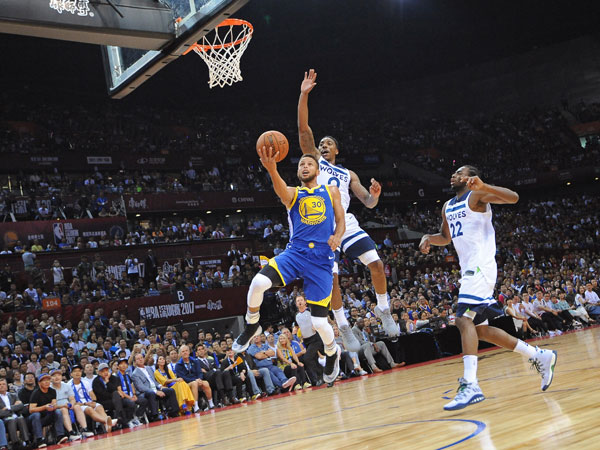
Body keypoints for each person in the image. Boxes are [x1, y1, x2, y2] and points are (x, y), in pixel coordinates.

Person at [419, 165, 557, 411]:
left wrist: (484, 187)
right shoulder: (448, 205)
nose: (454, 175)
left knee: (462, 320)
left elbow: (513, 197)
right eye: (454, 173)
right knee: (480, 331)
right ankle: (538, 355)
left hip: (481, 267)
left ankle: (471, 384)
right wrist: (429, 238)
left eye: (460, 172)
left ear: (470, 177)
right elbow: (446, 236)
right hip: (468, 270)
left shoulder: (477, 195)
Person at [297, 69, 399, 351]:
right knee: (333, 281)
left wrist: (375, 196)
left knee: (377, 264)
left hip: (348, 223)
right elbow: (304, 131)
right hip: (322, 226)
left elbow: (367, 202)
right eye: (321, 145)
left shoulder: (347, 173)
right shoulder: (317, 164)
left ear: (337, 150)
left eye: (328, 144)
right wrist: (304, 94)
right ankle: (343, 326)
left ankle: (383, 309)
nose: (323, 146)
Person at [233, 148, 345, 386]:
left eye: (309, 164)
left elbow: (341, 219)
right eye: (301, 165)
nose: (305, 167)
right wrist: (272, 169)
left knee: (319, 323)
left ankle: (332, 351)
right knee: (258, 283)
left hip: (321, 259)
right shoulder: (294, 194)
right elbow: (281, 189)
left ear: (316, 170)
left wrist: (338, 234)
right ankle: (253, 323)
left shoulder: (331, 190)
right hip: (296, 252)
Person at [69, 365, 117, 433]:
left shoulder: (85, 382)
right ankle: (107, 421)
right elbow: (73, 401)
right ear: (71, 374)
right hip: (79, 405)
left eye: (79, 371)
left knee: (99, 406)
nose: (77, 373)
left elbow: (92, 394)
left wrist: (93, 401)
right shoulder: (69, 385)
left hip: (89, 402)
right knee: (89, 409)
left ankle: (106, 423)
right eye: (75, 371)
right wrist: (85, 403)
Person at [130, 353, 179, 421]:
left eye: (141, 358)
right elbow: (141, 388)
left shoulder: (149, 368)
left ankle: (174, 412)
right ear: (135, 362)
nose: (141, 359)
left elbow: (154, 381)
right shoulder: (134, 374)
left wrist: (160, 386)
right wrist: (156, 391)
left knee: (170, 390)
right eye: (138, 359)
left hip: (155, 388)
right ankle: (155, 415)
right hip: (145, 392)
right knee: (151, 393)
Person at [92, 363, 137, 429]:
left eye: (106, 370)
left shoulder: (113, 378)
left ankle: (125, 419)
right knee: (116, 396)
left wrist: (107, 382)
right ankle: (122, 420)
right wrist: (113, 395)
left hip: (116, 399)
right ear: (99, 373)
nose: (105, 373)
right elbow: (101, 394)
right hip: (104, 401)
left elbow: (115, 389)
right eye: (103, 371)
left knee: (130, 403)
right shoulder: (96, 381)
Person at [28, 373, 67, 447]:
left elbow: (54, 404)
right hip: (36, 419)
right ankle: (39, 440)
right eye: (44, 381)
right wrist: (45, 407)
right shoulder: (36, 393)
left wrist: (54, 406)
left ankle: (60, 436)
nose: (47, 382)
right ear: (39, 383)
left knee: (58, 411)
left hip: (47, 415)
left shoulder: (52, 391)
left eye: (48, 380)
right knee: (36, 414)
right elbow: (31, 410)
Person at [173, 345, 213, 412]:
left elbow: (199, 372)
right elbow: (182, 377)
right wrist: (195, 380)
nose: (185, 353)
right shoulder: (178, 365)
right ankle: (195, 406)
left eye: (186, 351)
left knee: (206, 383)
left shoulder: (195, 361)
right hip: (186, 383)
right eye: (183, 351)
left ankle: (211, 403)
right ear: (180, 354)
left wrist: (199, 379)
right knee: (194, 383)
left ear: (189, 352)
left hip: (197, 380)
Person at [48, 369, 84, 441]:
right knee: (64, 410)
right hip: (58, 407)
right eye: (54, 376)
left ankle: (84, 429)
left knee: (77, 406)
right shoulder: (49, 389)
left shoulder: (66, 385)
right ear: (50, 378)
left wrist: (72, 405)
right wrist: (63, 406)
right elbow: (51, 404)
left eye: (58, 375)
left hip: (68, 405)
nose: (57, 377)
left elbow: (72, 398)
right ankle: (71, 433)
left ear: (61, 376)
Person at [115, 359, 148, 424]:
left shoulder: (127, 375)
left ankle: (137, 416)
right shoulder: (117, 377)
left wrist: (134, 395)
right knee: (131, 403)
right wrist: (130, 398)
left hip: (131, 395)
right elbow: (120, 391)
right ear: (118, 366)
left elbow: (131, 385)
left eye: (125, 364)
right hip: (123, 397)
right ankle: (129, 420)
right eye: (121, 364)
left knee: (144, 401)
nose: (124, 365)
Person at [0, 377, 30, 448]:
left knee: (20, 418)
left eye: (3, 384)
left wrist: (9, 408)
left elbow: (21, 406)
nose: (1, 386)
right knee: (11, 419)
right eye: (0, 384)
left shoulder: (13, 395)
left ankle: (26, 441)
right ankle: (15, 443)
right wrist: (14, 408)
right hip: (5, 419)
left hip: (16, 416)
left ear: (7, 386)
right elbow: (0, 413)